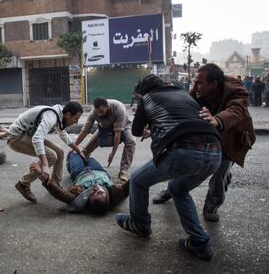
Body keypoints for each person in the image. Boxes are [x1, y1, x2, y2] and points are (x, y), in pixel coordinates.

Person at [115, 74, 222, 260]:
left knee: (138, 181)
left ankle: (140, 224)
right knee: (177, 189)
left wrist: (149, 121)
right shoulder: (184, 94)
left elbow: (136, 131)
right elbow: (184, 118)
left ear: (143, 92)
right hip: (215, 152)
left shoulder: (147, 98)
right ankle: (199, 242)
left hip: (183, 150)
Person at [153, 63, 255, 223]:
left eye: (200, 83)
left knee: (219, 177)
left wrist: (217, 119)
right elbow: (180, 108)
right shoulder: (197, 91)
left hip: (229, 138)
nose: (195, 86)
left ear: (214, 84)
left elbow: (236, 111)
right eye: (195, 82)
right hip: (206, 135)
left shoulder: (236, 91)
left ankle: (211, 206)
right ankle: (170, 191)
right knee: (184, 163)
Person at [7, 102, 85, 203]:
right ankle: (23, 184)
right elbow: (37, 139)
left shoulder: (59, 115)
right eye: (76, 118)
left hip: (28, 135)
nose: (77, 122)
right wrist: (44, 165)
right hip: (16, 138)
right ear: (68, 114)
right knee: (51, 156)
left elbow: (63, 135)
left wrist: (78, 151)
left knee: (60, 152)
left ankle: (55, 184)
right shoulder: (51, 117)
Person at [30, 151, 129, 214]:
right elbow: (132, 184)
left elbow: (59, 193)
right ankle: (82, 156)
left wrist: (42, 174)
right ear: (107, 198)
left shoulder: (79, 200)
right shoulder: (116, 195)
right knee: (88, 157)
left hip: (80, 172)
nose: (95, 189)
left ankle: (70, 161)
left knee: (74, 154)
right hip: (98, 170)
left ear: (88, 199)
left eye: (92, 194)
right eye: (100, 192)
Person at [75, 97, 136, 182]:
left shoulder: (118, 109)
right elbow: (85, 131)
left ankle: (123, 171)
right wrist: (74, 145)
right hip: (105, 128)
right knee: (87, 148)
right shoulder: (93, 113)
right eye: (97, 112)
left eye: (101, 112)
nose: (99, 115)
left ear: (107, 107)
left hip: (123, 126)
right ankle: (82, 167)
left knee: (131, 141)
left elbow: (117, 134)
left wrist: (112, 154)